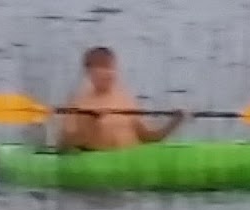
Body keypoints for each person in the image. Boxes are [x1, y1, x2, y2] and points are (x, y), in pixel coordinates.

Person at [57, 46, 186, 151]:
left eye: (110, 67)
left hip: (132, 162)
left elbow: (150, 138)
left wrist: (174, 122)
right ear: (89, 72)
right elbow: (63, 147)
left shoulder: (125, 99)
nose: (108, 73)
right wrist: (90, 124)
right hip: (99, 164)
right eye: (101, 67)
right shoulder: (77, 104)